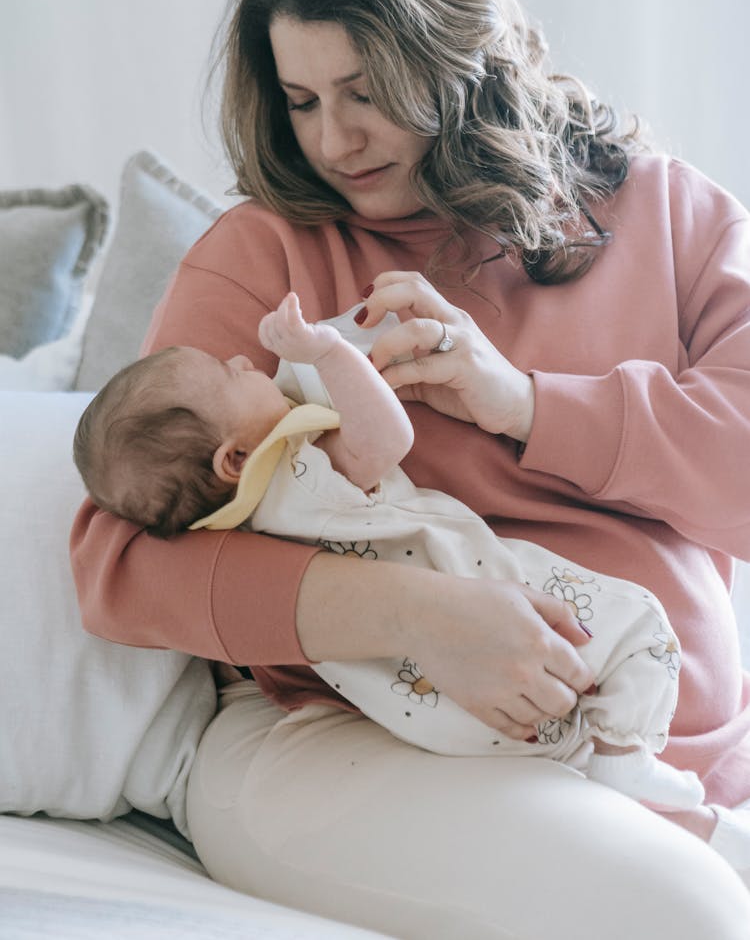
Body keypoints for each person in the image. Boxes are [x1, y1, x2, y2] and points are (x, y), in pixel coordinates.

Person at [70, 0, 750, 938]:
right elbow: (121, 564)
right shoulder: (267, 256)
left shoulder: (671, 215)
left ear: (462, 57)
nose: (334, 141)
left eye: (366, 89)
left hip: (672, 758)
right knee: (686, 916)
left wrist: (525, 405)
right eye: (301, 102)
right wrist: (424, 621)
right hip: (366, 737)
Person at [73, 291, 705, 811]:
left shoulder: (231, 534)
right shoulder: (303, 472)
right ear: (235, 459)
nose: (243, 359)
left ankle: (612, 784)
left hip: (421, 701)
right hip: (475, 584)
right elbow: (387, 435)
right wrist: (326, 352)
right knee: (640, 625)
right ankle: (624, 759)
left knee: (548, 734)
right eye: (227, 372)